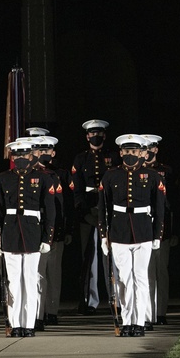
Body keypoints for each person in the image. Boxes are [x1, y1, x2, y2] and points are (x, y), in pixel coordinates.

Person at [98, 134, 166, 337]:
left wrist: (157, 235)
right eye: (127, 151)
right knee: (124, 279)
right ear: (120, 152)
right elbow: (103, 207)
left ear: (142, 153)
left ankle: (139, 321)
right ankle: (127, 320)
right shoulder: (110, 175)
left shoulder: (153, 176)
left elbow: (159, 208)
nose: (130, 155)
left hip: (144, 229)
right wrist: (104, 235)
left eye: (134, 151)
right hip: (119, 231)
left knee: (141, 278)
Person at [0, 139, 56, 337]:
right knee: (13, 282)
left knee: (30, 280)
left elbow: (50, 211)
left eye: (24, 155)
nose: (20, 159)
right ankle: (15, 323)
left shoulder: (43, 178)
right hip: (10, 232)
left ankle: (29, 324)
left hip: (32, 233)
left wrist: (47, 238)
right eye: (16, 155)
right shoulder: (2, 178)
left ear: (31, 156)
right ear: (13, 157)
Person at [71, 119, 117, 314]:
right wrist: (84, 210)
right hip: (88, 212)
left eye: (98, 133)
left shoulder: (113, 157)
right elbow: (76, 188)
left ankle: (115, 299)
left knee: (112, 257)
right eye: (92, 133)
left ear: (104, 135)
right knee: (89, 258)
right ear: (87, 136)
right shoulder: (81, 159)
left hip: (109, 210)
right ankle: (89, 301)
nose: (95, 136)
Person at [33, 134, 73, 327]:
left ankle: (52, 311)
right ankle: (38, 314)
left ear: (53, 152)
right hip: (38, 230)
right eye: (40, 150)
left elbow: (67, 205)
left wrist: (68, 229)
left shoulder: (62, 174)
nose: (43, 153)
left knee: (54, 274)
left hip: (56, 230)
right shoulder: (31, 173)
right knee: (39, 275)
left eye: (47, 150)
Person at [141, 134, 175, 328]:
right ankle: (148, 313)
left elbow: (173, 203)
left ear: (155, 149)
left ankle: (160, 311)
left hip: (162, 227)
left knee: (160, 271)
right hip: (143, 226)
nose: (148, 152)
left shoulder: (165, 172)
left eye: (150, 148)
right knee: (146, 273)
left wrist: (173, 230)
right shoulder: (137, 172)